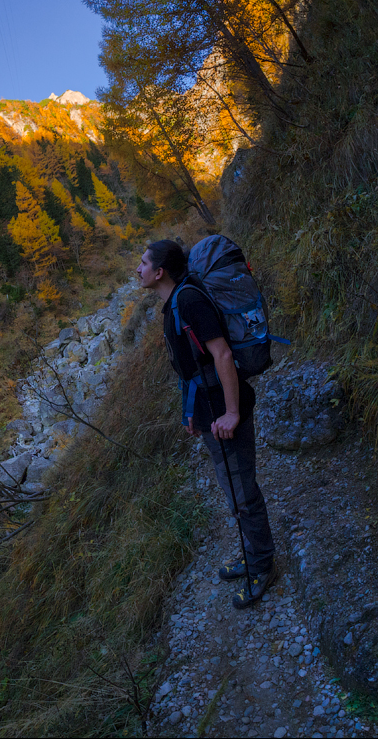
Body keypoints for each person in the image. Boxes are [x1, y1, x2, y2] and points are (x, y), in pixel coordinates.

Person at [137, 240, 277, 609]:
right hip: (208, 410)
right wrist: (192, 415)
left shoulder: (189, 302)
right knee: (233, 490)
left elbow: (222, 354)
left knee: (243, 494)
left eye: (143, 263)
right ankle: (252, 553)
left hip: (224, 410)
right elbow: (190, 366)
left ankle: (262, 566)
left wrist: (231, 413)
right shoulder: (175, 302)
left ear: (160, 271)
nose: (138, 270)